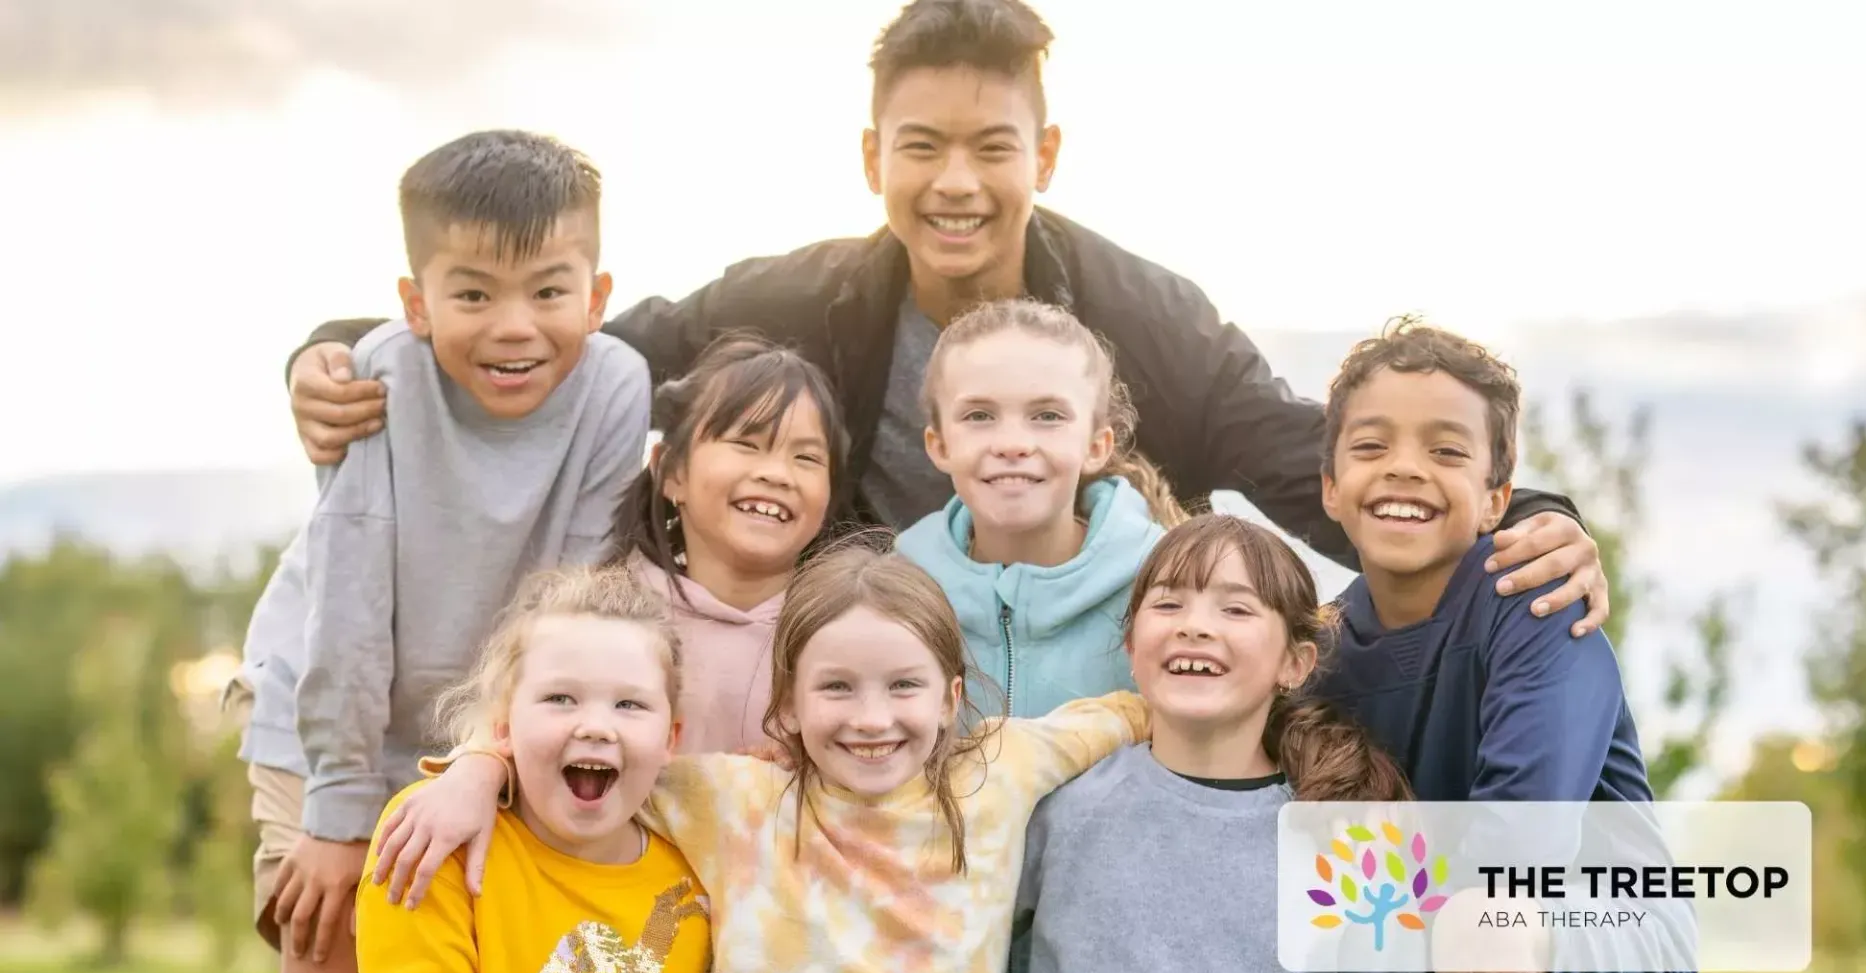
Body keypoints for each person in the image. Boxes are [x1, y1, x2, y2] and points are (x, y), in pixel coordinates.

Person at [274, 0, 1614, 637]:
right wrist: (337, 348)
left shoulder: (1149, 318)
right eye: (923, 147)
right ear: (873, 159)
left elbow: (1299, 461)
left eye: (993, 146)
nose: (957, 183)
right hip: (857, 675)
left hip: (1089, 676)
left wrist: (1530, 515)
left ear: (1049, 152)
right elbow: (573, 348)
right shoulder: (798, 297)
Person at [365, 542, 1156, 973]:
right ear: (789, 705)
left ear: (953, 699)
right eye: (837, 688)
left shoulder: (1005, 766)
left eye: (904, 687)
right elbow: (587, 759)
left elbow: (1133, 710)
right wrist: (475, 764)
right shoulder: (732, 801)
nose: (871, 718)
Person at [226, 128, 653, 973]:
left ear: (598, 295)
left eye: (549, 291)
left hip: (494, 708)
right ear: (418, 304)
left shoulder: (617, 386)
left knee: (466, 935)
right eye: (472, 294)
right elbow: (346, 605)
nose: (514, 327)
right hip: (327, 703)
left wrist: (485, 757)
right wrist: (339, 815)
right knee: (329, 914)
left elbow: (571, 607)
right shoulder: (378, 376)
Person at [1310, 317, 1696, 973]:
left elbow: (1522, 846)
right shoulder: (1317, 655)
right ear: (1328, 488)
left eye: (1447, 451)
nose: (1406, 469)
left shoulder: (1534, 594)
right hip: (1436, 932)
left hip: (1601, 930)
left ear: (1497, 499)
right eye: (1370, 446)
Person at [345, 565, 709, 973]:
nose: (596, 726)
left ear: (670, 738)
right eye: (560, 698)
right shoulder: (434, 836)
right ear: (503, 728)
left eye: (629, 703)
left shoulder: (687, 890)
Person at [897, 298, 1180, 721]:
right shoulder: (896, 593)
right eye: (979, 415)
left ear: (1096, 446)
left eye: (1047, 415)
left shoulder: (1165, 588)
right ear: (939, 445)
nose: (1012, 443)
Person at [603, 333, 848, 754]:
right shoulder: (601, 618)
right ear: (672, 471)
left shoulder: (850, 629)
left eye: (806, 458)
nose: (777, 473)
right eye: (745, 444)